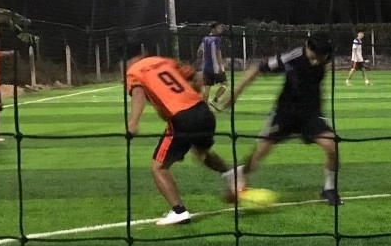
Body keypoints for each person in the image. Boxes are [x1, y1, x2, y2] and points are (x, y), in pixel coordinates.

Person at [125, 43, 237, 226]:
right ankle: (231, 174)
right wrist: (195, 91)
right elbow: (195, 75)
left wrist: (133, 123)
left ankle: (179, 212)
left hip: (182, 118)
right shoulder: (162, 61)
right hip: (203, 111)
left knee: (158, 168)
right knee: (202, 154)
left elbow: (138, 94)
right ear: (143, 52)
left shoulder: (133, 72)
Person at [225, 36, 343, 207]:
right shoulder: (293, 57)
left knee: (332, 146)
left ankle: (329, 188)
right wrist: (235, 93)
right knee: (258, 155)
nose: (318, 60)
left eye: (322, 56)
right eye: (315, 55)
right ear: (307, 47)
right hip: (285, 114)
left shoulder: (326, 56)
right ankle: (238, 174)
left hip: (310, 115)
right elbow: (257, 68)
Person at [197, 22, 228, 108]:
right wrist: (220, 65)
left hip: (206, 67)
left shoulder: (205, 39)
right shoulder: (216, 39)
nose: (220, 30)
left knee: (206, 88)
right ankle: (215, 101)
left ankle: (204, 107)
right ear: (213, 29)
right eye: (219, 28)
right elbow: (218, 52)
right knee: (224, 84)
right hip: (216, 67)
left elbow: (199, 52)